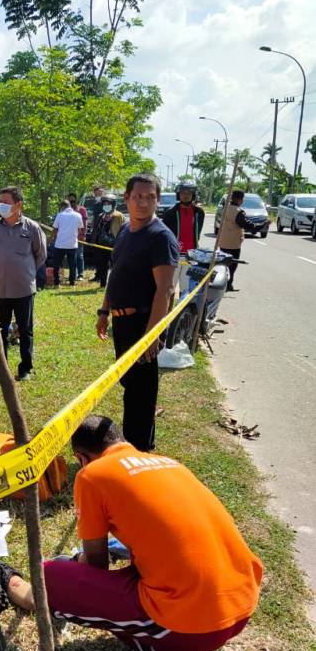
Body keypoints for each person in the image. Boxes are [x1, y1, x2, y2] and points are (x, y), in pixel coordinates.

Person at [43, 415, 263, 651]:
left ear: (81, 458)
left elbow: (96, 566)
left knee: (50, 575)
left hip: (191, 625)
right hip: (242, 604)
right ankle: (173, 641)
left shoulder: (91, 475)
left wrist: (73, 563)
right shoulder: (171, 464)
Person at [96, 173, 179, 452]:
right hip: (121, 322)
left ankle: (139, 448)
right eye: (137, 197)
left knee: (141, 391)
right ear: (127, 199)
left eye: (150, 197)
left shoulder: (160, 237)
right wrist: (104, 311)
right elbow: (115, 274)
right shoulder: (125, 233)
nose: (143, 202)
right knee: (130, 384)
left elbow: (164, 290)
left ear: (157, 200)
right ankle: (132, 443)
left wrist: (152, 334)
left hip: (143, 323)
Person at [0, 187, 47, 382]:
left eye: (5, 202)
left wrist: (25, 271)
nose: (1, 206)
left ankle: (25, 368)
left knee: (25, 329)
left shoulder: (32, 228)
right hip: (0, 289)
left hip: (23, 289)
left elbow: (41, 255)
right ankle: (0, 369)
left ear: (18, 204)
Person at [163, 182, 206, 254]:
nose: (186, 195)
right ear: (178, 195)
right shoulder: (170, 213)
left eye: (189, 193)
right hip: (174, 251)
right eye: (183, 193)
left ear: (193, 195)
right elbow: (166, 235)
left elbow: (198, 232)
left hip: (193, 251)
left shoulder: (199, 212)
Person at [92, 195, 125, 288]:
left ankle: (116, 283)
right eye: (105, 204)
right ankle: (103, 283)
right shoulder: (100, 216)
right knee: (102, 264)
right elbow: (96, 229)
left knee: (115, 265)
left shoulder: (119, 216)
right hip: (101, 245)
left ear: (113, 205)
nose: (106, 206)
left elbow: (123, 229)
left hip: (114, 244)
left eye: (108, 204)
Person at [218, 189, 247, 292]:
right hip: (234, 244)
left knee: (223, 264)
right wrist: (262, 225)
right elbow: (245, 224)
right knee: (232, 265)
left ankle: (223, 283)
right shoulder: (238, 212)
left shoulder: (225, 209)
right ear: (240, 199)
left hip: (223, 241)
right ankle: (227, 285)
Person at [51, 199, 82, 287]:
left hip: (60, 244)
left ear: (62, 207)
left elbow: (55, 230)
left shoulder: (59, 215)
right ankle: (72, 283)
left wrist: (50, 239)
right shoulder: (78, 215)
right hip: (72, 244)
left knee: (56, 264)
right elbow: (79, 230)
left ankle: (57, 283)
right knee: (72, 264)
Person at [67, 192, 87, 280]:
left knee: (79, 255)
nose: (72, 202)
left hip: (79, 236)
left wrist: (83, 234)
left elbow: (85, 223)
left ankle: (80, 274)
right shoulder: (65, 211)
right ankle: (73, 274)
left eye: (73, 200)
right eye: (70, 200)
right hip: (68, 237)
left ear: (76, 200)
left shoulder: (82, 210)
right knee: (71, 256)